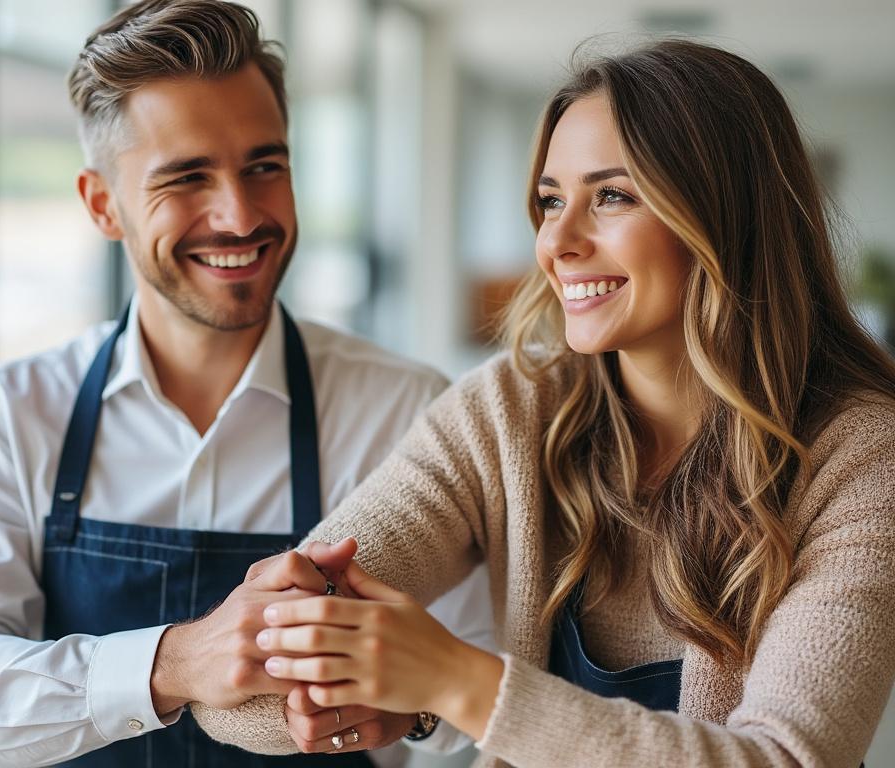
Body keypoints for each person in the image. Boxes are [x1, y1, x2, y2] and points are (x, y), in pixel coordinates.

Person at [191, 40, 895, 767]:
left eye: (613, 196)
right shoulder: (507, 412)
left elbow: (788, 759)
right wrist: (364, 677)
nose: (555, 241)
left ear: (726, 215)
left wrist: (453, 681)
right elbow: (239, 703)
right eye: (551, 200)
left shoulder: (864, 454)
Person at [0, 1, 493, 766]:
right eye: (187, 177)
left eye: (264, 166)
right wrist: (176, 662)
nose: (240, 216)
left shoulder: (407, 411)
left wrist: (415, 717)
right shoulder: (9, 414)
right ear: (102, 205)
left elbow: (488, 691)